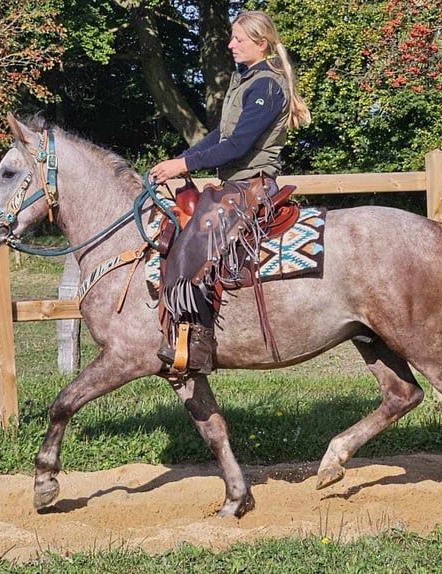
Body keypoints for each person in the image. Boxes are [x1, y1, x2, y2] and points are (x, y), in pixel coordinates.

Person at [149, 10, 310, 377]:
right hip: (235, 186)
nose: (230, 44)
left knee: (195, 248)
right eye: (231, 38)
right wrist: (180, 159)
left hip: (252, 187)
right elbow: (220, 135)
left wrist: (184, 167)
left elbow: (237, 146)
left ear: (261, 43)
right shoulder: (245, 79)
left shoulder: (267, 85)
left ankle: (198, 346)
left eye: (238, 39)